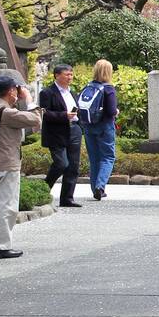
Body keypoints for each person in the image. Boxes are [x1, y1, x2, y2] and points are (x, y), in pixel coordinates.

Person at [0, 75, 43, 259]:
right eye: (16, 89)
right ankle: (1, 246)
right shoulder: (8, 113)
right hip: (7, 162)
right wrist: (29, 99)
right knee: (6, 205)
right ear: (10, 91)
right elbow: (36, 120)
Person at [39, 64, 83, 208]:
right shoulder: (47, 92)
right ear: (57, 75)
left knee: (73, 166)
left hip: (74, 130)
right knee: (61, 164)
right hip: (56, 133)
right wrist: (64, 115)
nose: (70, 77)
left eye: (71, 74)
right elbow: (45, 114)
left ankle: (67, 198)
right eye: (66, 74)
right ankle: (43, 190)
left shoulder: (72, 92)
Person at [78, 59, 120, 200]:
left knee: (94, 158)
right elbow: (111, 111)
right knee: (108, 157)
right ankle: (100, 186)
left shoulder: (88, 87)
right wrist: (117, 112)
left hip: (88, 126)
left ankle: (94, 188)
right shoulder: (108, 89)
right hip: (105, 126)